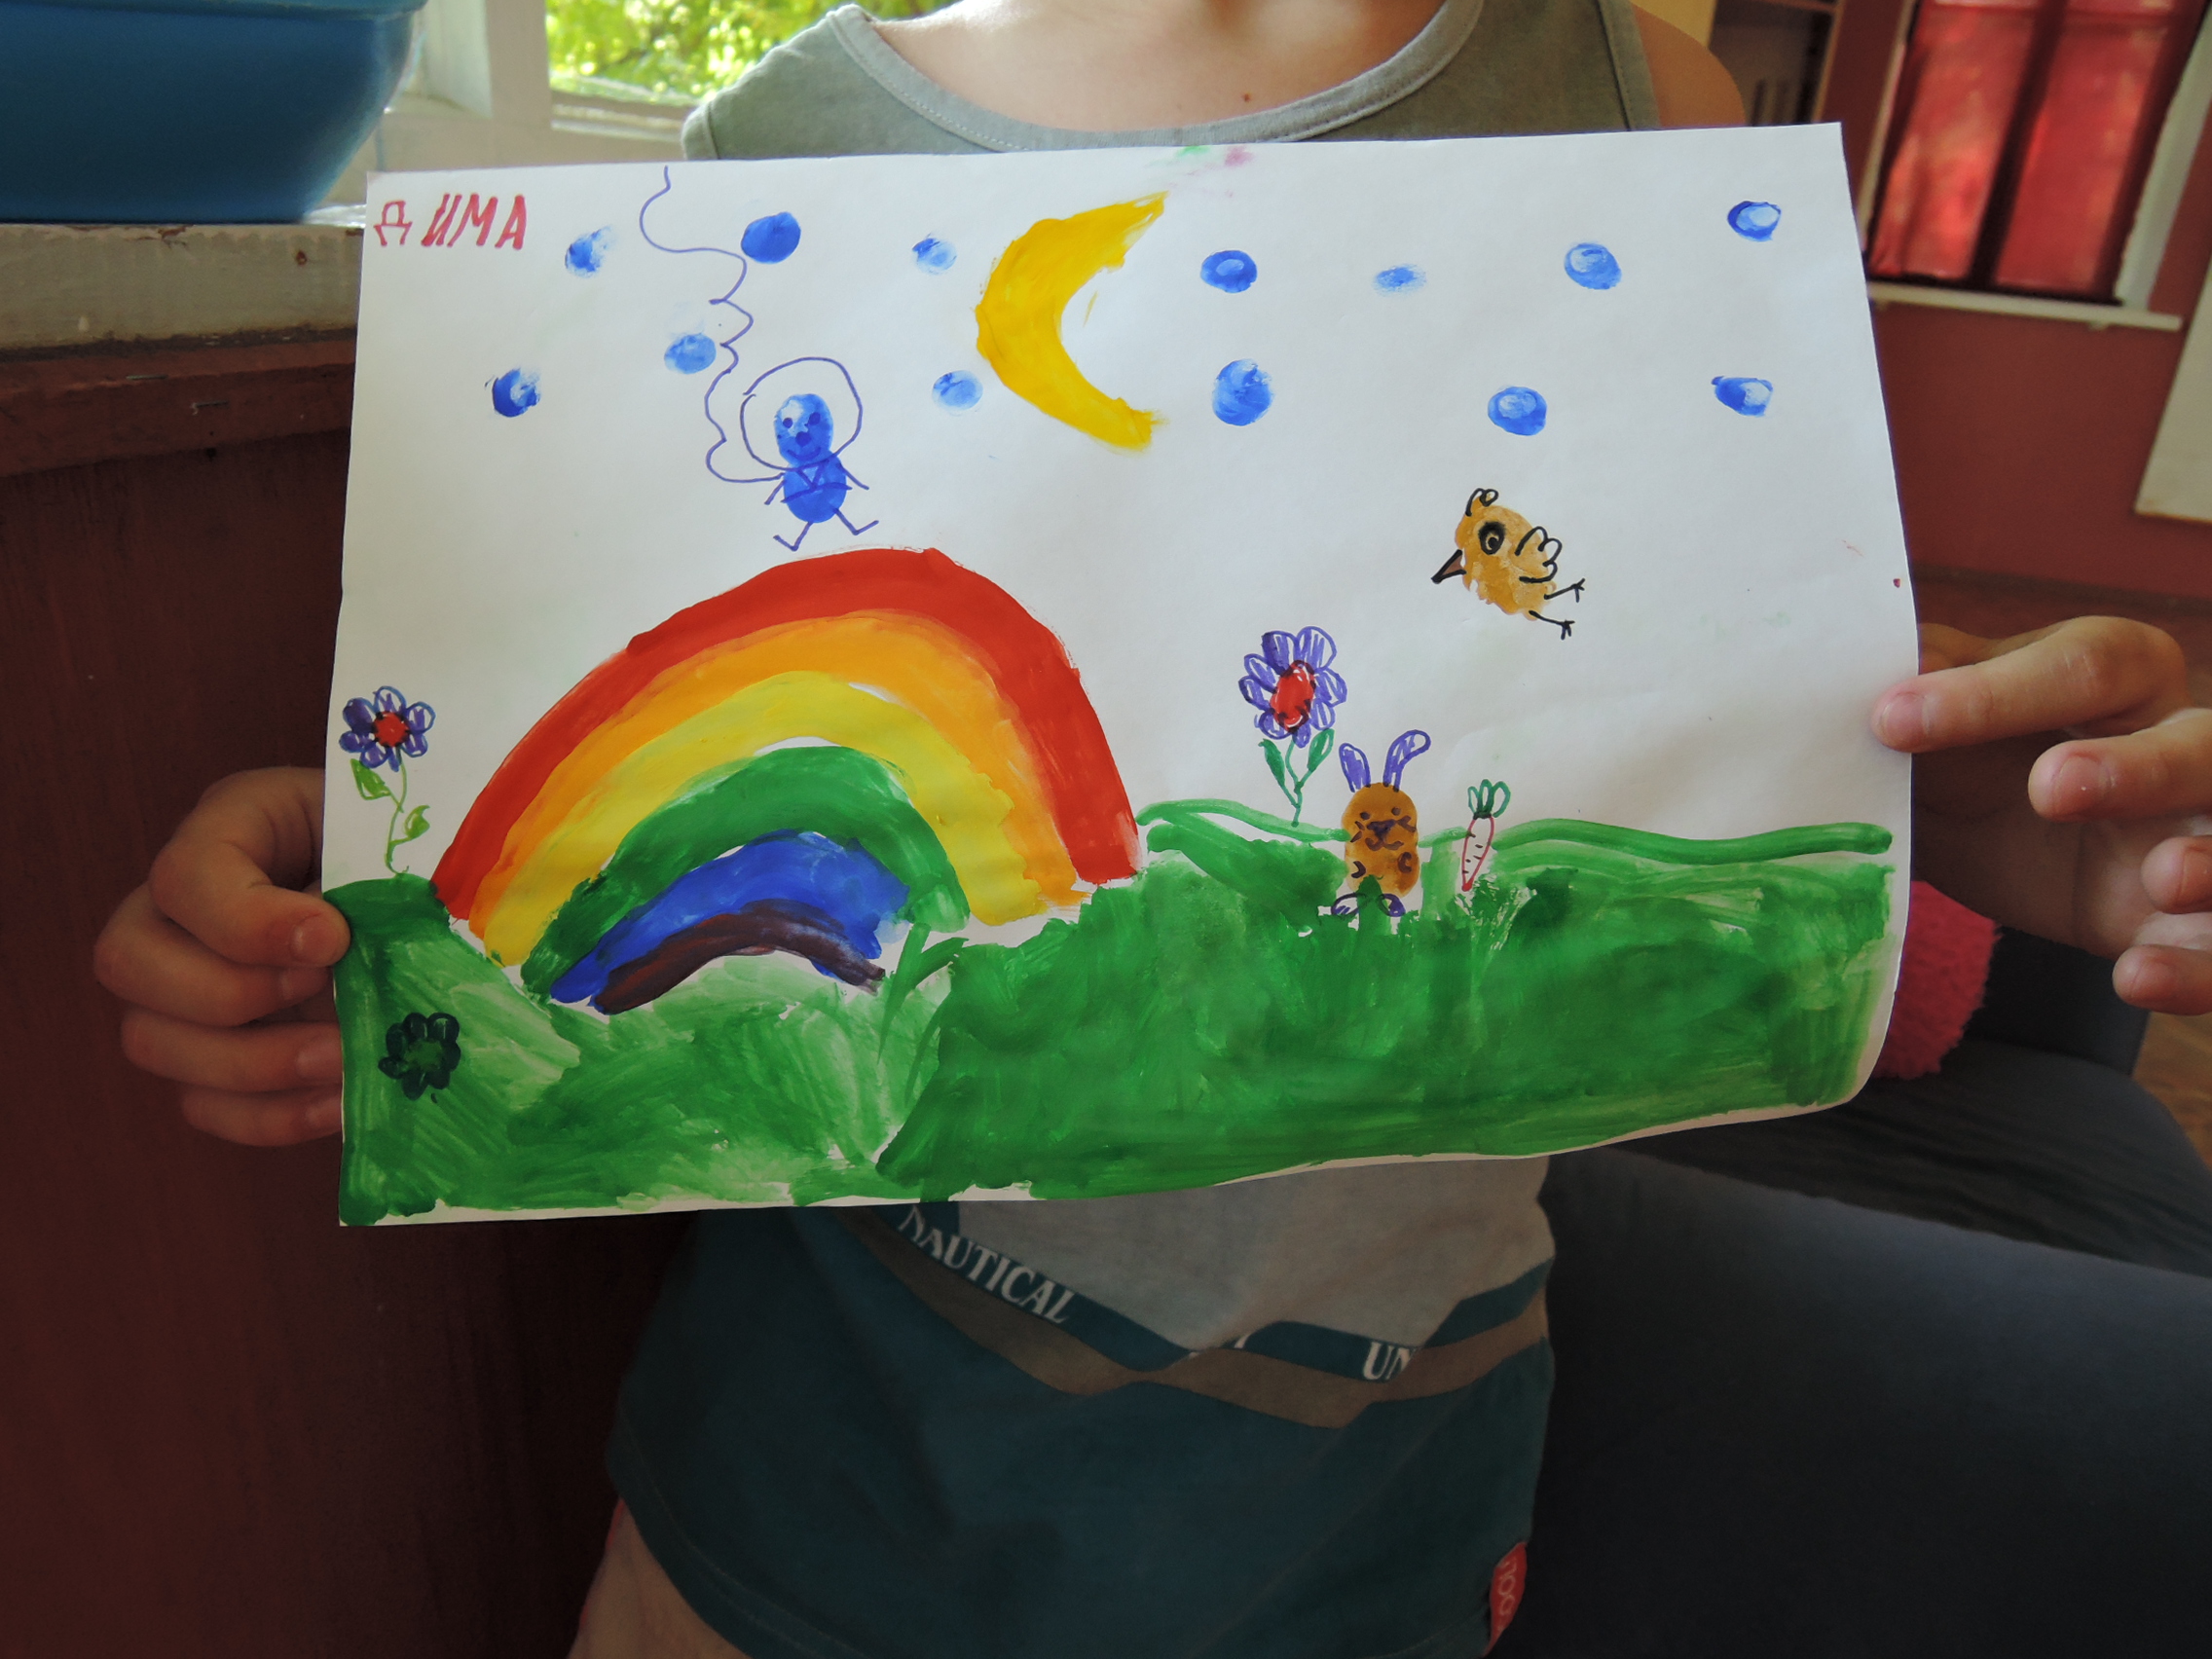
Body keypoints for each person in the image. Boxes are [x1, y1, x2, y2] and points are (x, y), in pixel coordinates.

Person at [92, 4, 2212, 1655]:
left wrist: (1985, 825)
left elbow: (1719, 696)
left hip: (1370, 1495)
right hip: (810, 1495)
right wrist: (352, 871)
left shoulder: (1645, 107)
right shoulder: (770, 145)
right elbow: (632, 738)